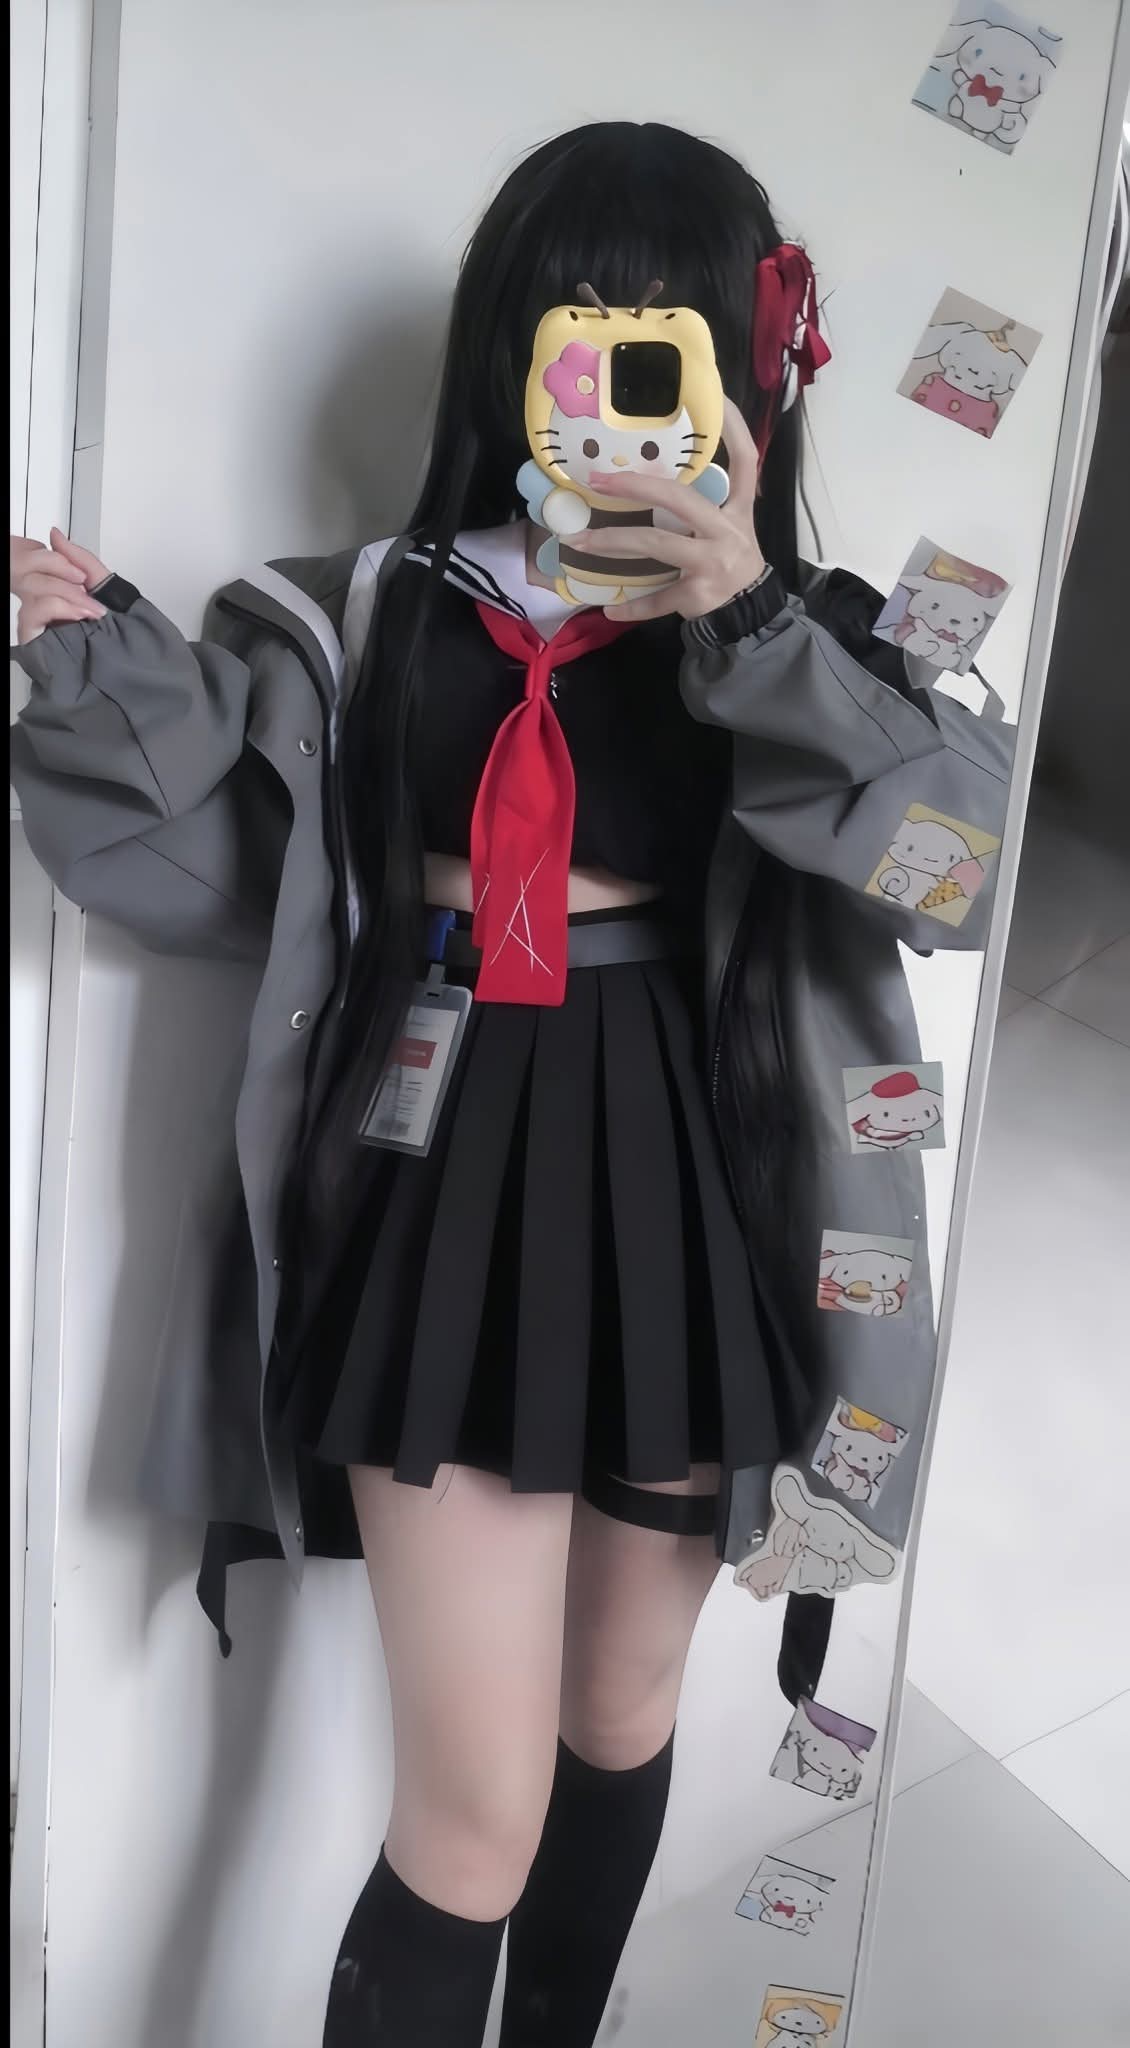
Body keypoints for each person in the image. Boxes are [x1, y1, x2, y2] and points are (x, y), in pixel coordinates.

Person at [9, 121, 1013, 2046]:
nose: (611, 370)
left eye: (662, 329)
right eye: (574, 320)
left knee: (618, 1717)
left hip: (698, 1174)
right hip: (445, 1156)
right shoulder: (360, 606)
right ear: (510, 345)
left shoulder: (820, 631)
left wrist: (745, 614)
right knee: (470, 1815)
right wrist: (91, 669)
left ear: (742, 359)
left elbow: (962, 870)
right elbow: (203, 878)